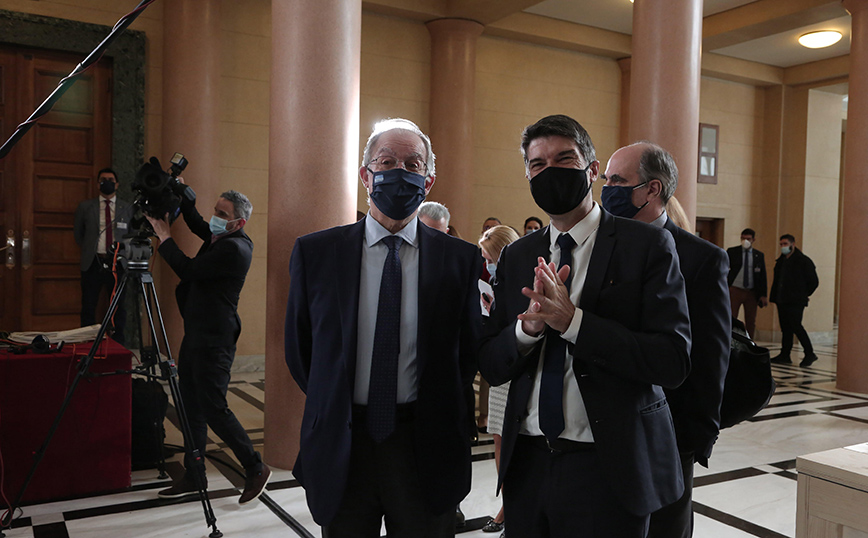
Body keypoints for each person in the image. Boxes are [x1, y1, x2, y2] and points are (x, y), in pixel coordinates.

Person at [479, 114, 690, 537]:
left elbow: (671, 360)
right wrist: (527, 332)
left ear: (592, 170)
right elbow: (491, 362)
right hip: (529, 464)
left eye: (564, 159)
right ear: (527, 175)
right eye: (537, 164)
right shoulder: (518, 255)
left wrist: (573, 322)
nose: (550, 172)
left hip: (608, 466)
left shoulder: (646, 245)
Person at [285, 118, 482, 537]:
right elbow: (301, 350)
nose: (399, 172)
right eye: (387, 162)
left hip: (424, 445)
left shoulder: (459, 260)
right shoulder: (316, 252)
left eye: (413, 165)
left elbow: (466, 354)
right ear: (365, 176)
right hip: (344, 443)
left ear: (428, 181)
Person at [602, 141, 731, 538]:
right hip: (602, 426)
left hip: (669, 433)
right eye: (605, 180)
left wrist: (696, 438)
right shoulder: (598, 244)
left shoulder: (701, 258)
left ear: (651, 190)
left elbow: (711, 356)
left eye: (616, 181)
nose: (606, 189)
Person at [147, 189, 270, 505]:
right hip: (197, 333)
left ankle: (255, 467)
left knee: (214, 406)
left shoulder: (235, 249)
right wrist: (184, 198)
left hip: (215, 339)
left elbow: (188, 269)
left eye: (222, 214)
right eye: (216, 210)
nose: (215, 218)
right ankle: (195, 474)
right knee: (191, 406)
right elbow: (200, 225)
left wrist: (164, 236)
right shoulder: (222, 236)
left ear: (239, 223)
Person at [479, 225, 520, 537]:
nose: (488, 264)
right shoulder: (487, 283)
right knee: (498, 438)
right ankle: (507, 504)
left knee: (516, 444)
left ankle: (516, 508)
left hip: (516, 370)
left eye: (490, 259)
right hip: (498, 373)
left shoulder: (519, 279)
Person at [73, 168, 134, 345]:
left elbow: (131, 234)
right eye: (103, 179)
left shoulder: (127, 208)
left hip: (118, 263)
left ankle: (118, 343)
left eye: (111, 180)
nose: (107, 182)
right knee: (88, 305)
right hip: (93, 262)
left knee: (119, 306)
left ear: (117, 184)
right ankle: (87, 342)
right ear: (97, 184)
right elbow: (78, 234)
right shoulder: (85, 207)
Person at [770, 234, 819, 367]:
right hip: (782, 299)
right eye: (781, 244)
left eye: (785, 244)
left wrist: (803, 294)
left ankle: (809, 353)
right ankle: (785, 354)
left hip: (796, 301)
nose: (783, 247)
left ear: (793, 244)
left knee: (796, 326)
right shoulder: (781, 261)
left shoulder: (803, 261)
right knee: (785, 328)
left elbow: (813, 281)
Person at [727, 228, 768, 340]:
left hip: (751, 292)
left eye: (748, 239)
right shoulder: (732, 252)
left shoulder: (758, 255)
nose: (745, 241)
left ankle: (749, 341)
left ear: (753, 239)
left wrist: (763, 295)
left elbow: (762, 275)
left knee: (750, 320)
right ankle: (731, 340)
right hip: (735, 289)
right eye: (743, 238)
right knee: (731, 317)